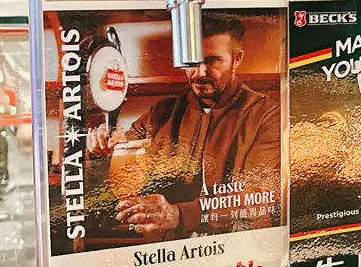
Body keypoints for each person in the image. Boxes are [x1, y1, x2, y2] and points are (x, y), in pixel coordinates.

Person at [86, 14, 280, 239]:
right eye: (191, 62)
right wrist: (100, 152)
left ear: (236, 59)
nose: (200, 72)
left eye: (212, 60)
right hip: (166, 253)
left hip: (236, 249)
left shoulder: (266, 114)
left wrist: (180, 215)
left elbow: (259, 197)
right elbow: (121, 175)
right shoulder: (159, 114)